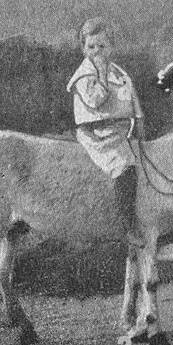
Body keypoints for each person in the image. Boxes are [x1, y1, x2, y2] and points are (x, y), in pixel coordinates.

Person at [67, 18, 146, 246]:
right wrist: (100, 74)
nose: (97, 52)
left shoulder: (118, 73)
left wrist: (138, 120)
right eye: (91, 47)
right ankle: (128, 225)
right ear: (83, 48)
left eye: (102, 46)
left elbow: (131, 97)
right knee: (124, 165)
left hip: (120, 130)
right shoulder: (84, 75)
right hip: (97, 132)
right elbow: (96, 101)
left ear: (110, 47)